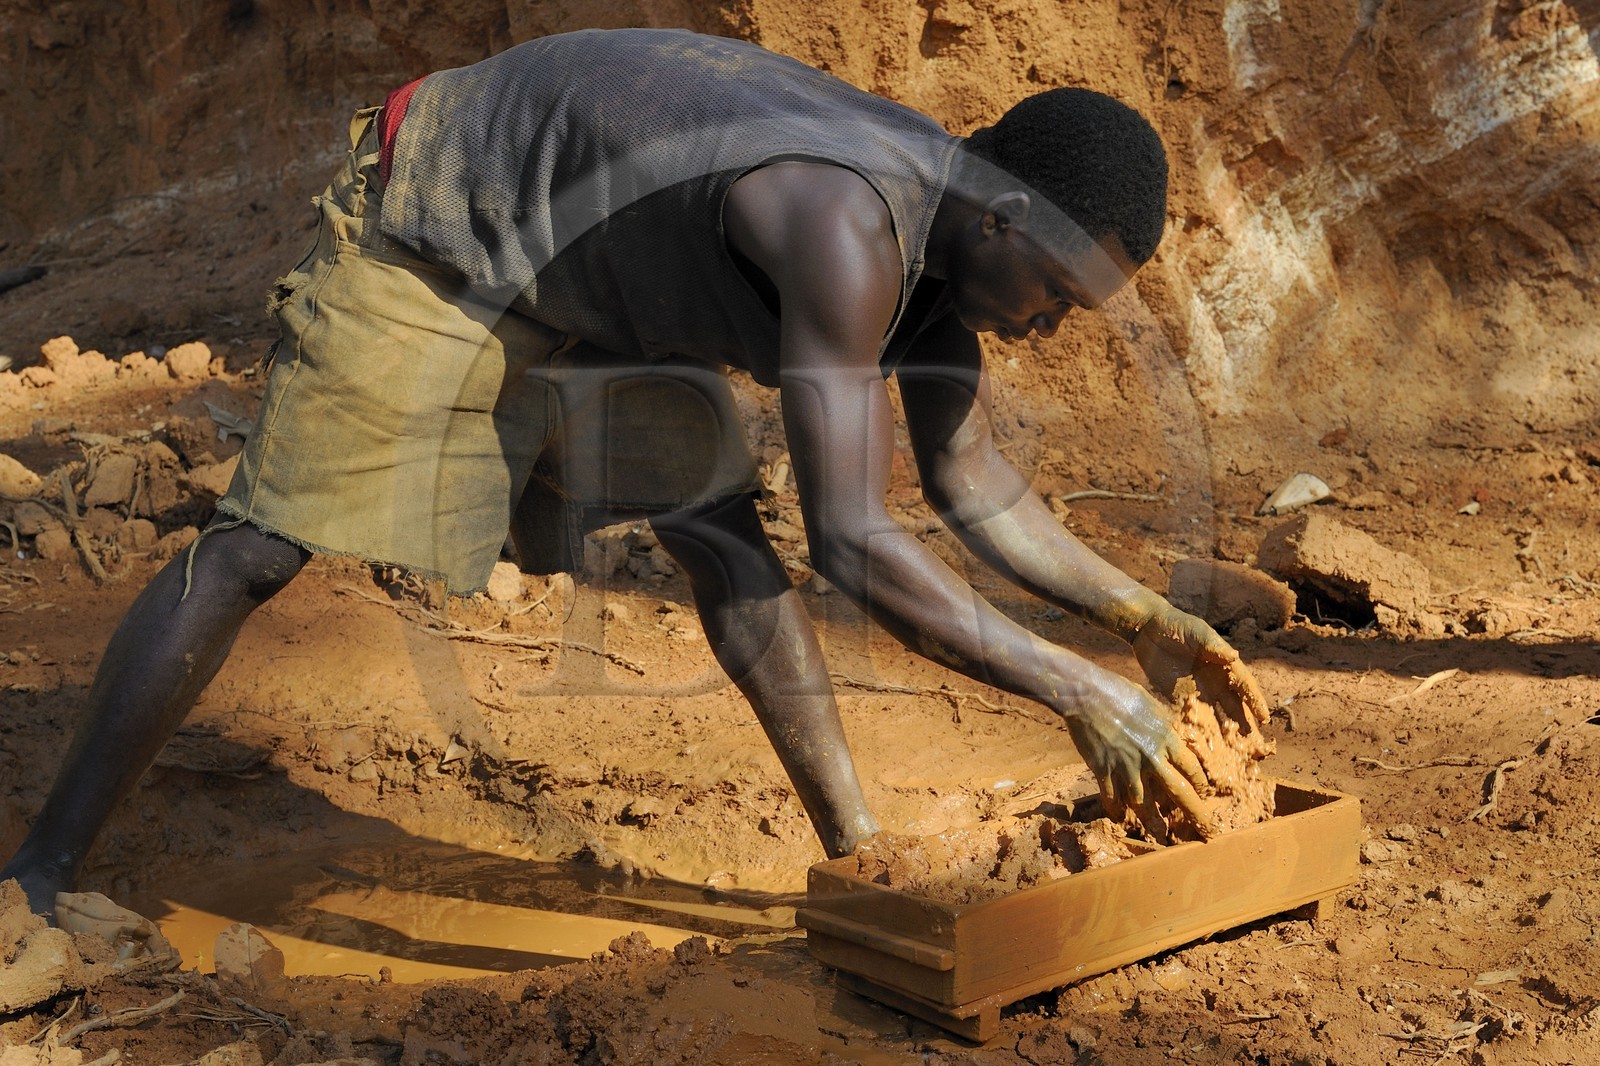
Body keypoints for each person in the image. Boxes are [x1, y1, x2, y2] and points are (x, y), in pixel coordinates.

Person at [2, 27, 1266, 917]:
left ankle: (855, 854)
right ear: (1004, 221)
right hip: (455, 221)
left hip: (602, 281)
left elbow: (974, 484)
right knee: (263, 543)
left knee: (719, 533)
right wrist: (1078, 694)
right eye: (1056, 294)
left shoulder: (946, 255)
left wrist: (1144, 622)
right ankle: (41, 875)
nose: (1050, 326)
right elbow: (854, 541)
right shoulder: (848, 230)